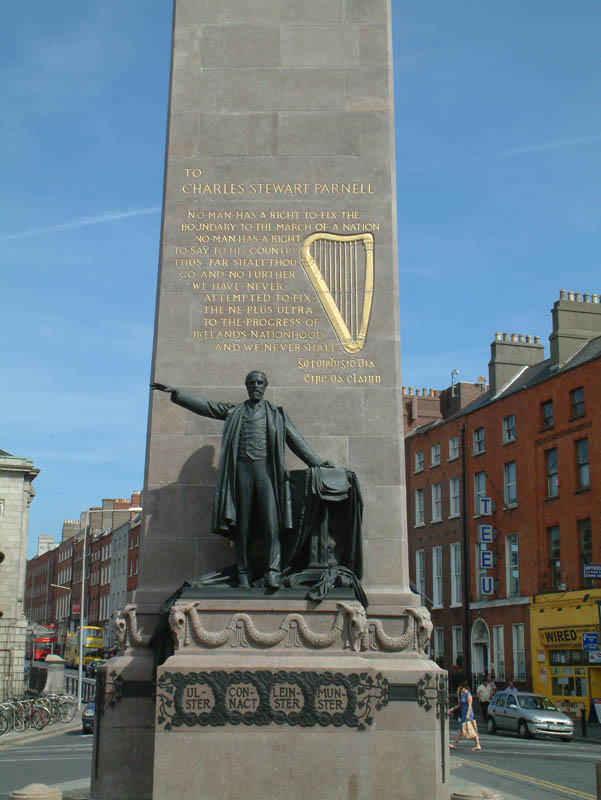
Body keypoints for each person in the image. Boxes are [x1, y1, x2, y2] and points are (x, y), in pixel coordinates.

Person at [151, 371, 333, 588]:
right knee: (243, 526)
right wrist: (178, 394)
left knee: (271, 524)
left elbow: (296, 441)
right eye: (252, 382)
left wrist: (318, 464)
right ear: (246, 386)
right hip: (242, 473)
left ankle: (272, 572)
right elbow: (208, 407)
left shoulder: (277, 415)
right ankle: (243, 574)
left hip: (267, 472)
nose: (256, 385)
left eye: (260, 382)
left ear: (265, 386)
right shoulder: (235, 411)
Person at [449, 684, 482, 751]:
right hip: (464, 714)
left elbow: (470, 705)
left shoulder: (468, 694)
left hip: (468, 714)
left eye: (462, 689)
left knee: (469, 729)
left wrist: (467, 714)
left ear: (465, 688)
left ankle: (477, 745)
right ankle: (455, 744)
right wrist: (452, 709)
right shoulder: (462, 695)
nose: (461, 690)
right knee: (461, 730)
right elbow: (459, 704)